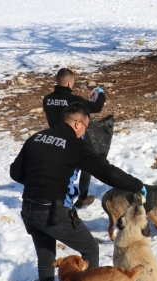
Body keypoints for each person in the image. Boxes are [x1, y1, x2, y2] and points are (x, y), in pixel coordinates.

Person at [10, 103, 147, 281]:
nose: (85, 132)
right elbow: (105, 170)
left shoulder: (36, 138)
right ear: (77, 123)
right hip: (54, 212)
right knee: (90, 249)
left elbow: (15, 172)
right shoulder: (74, 145)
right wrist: (135, 185)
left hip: (30, 210)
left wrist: (38, 182)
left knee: (45, 261)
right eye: (86, 127)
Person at [43, 68, 106, 208]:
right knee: (85, 165)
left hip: (53, 138)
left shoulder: (47, 99)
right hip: (73, 139)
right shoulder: (73, 100)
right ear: (70, 82)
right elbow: (97, 107)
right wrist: (100, 92)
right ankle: (80, 198)